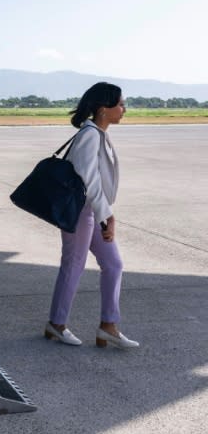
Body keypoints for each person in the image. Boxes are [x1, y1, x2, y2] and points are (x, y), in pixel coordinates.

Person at [44, 82, 139, 349]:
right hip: (81, 213)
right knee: (73, 266)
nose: (124, 109)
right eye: (120, 104)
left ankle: (108, 326)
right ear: (103, 109)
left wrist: (105, 213)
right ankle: (57, 324)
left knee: (114, 264)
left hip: (94, 212)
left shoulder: (99, 134)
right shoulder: (90, 135)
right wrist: (108, 215)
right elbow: (90, 180)